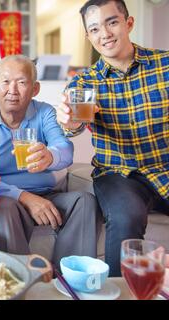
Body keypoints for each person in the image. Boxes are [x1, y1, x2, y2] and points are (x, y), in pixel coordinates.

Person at [56, 0, 169, 276]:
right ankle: (120, 292)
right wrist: (70, 122)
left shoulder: (165, 65)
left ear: (128, 23)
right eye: (94, 29)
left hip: (164, 167)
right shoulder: (84, 83)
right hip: (118, 174)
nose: (104, 34)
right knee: (124, 216)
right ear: (88, 36)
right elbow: (72, 127)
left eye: (112, 22)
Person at [0, 55, 101, 266]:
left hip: (47, 194)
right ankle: (21, 278)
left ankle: (67, 278)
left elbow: (64, 149)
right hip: (7, 198)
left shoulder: (44, 112)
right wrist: (24, 197)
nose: (13, 90)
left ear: (35, 89)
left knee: (85, 201)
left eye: (22, 82)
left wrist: (50, 156)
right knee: (4, 208)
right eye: (6, 81)